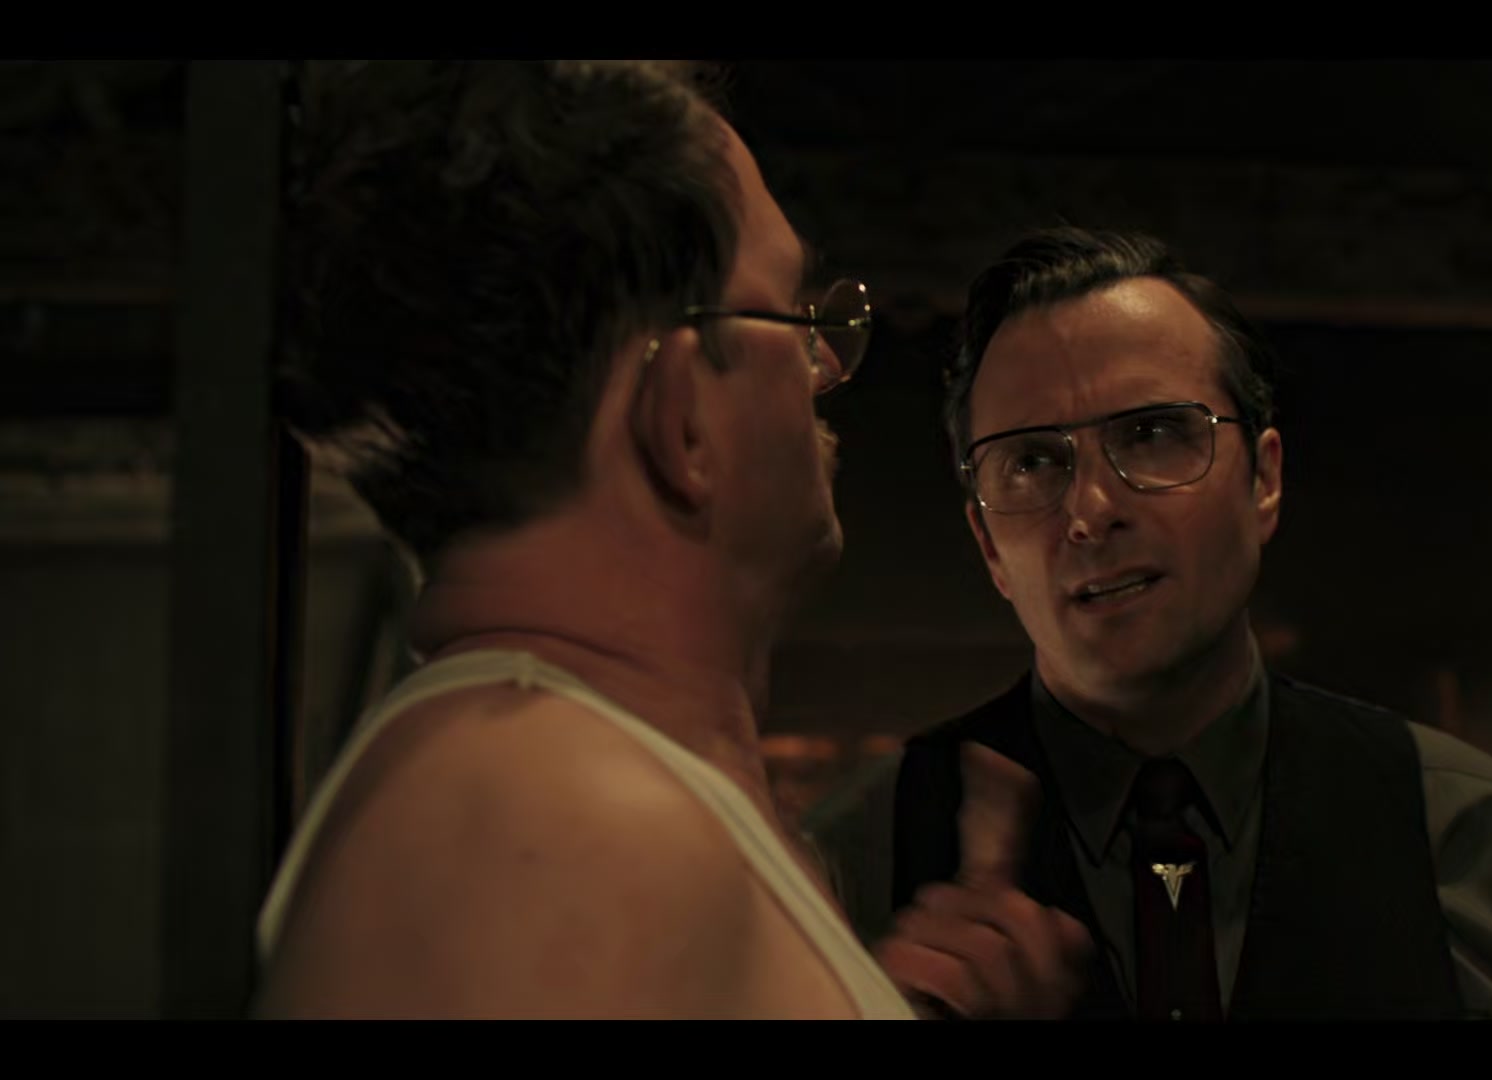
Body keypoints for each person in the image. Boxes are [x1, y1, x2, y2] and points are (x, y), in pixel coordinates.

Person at [253, 61, 1084, 1019]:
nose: (822, 363)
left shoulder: (556, 796)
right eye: (789, 315)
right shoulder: (566, 826)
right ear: (682, 415)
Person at [809, 226, 1492, 1020]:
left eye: (1151, 434)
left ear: (1264, 479)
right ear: (988, 546)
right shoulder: (852, 856)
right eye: (1033, 462)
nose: (1091, 510)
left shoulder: (1471, 833)